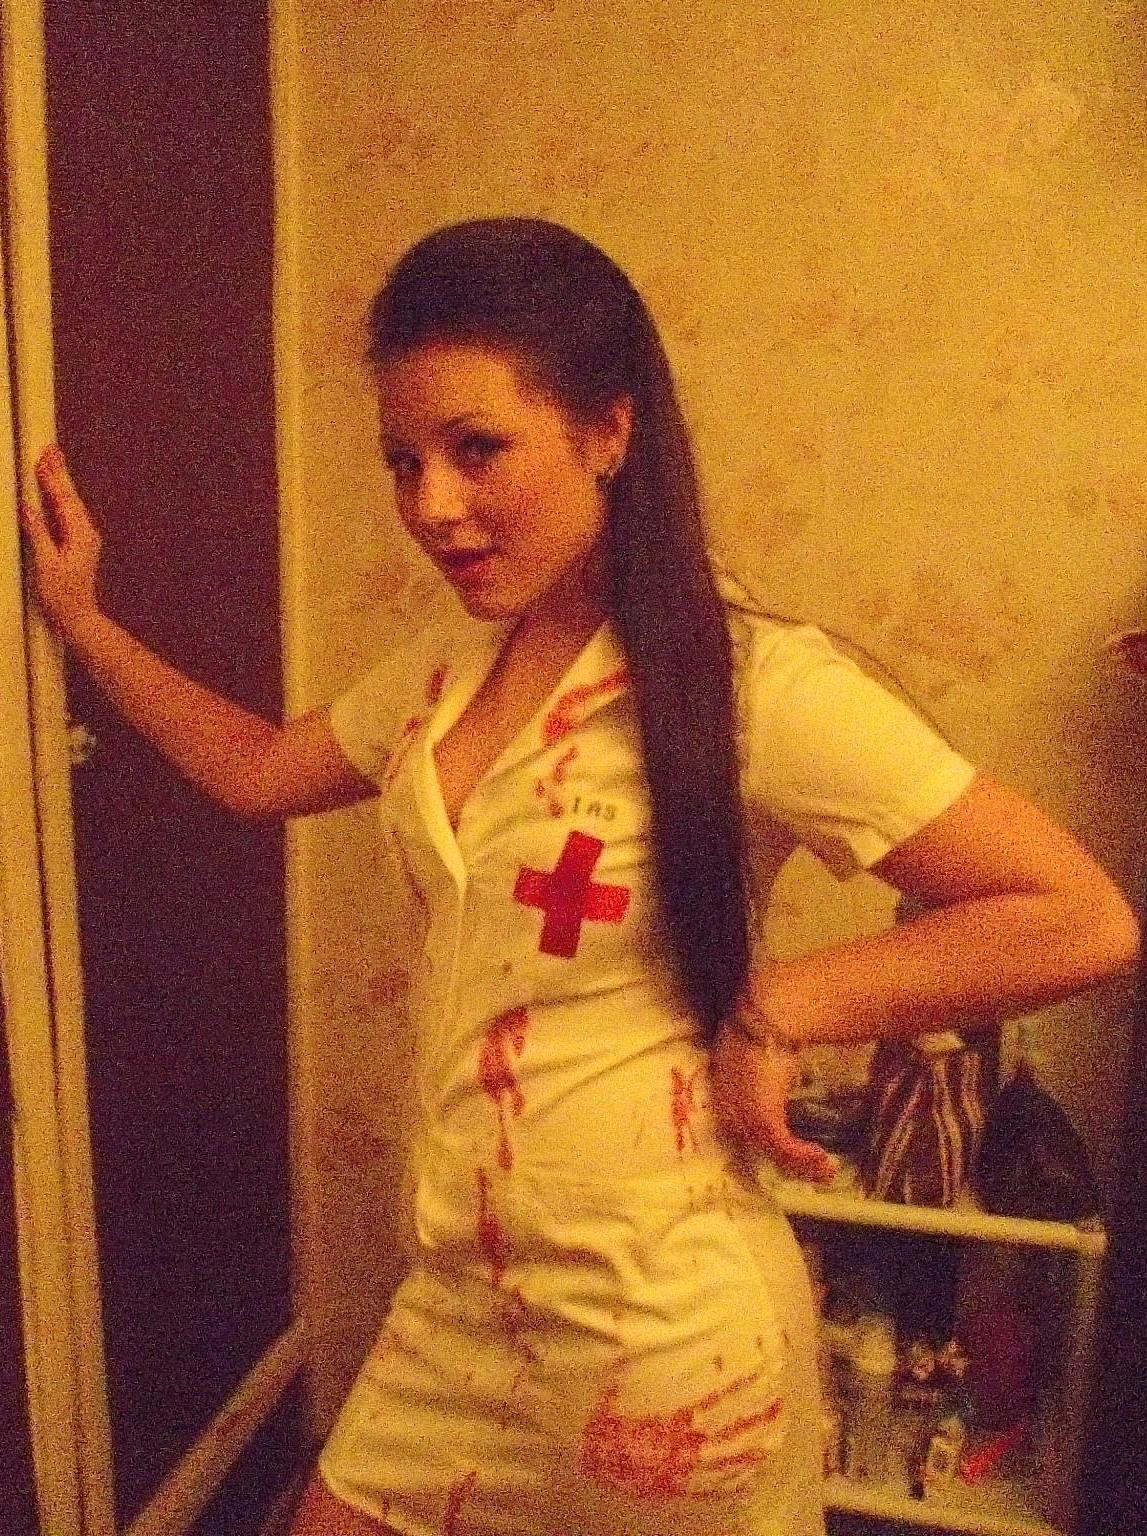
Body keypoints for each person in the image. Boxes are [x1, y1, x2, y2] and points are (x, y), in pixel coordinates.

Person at [22, 217, 1138, 1536]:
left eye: (477, 448)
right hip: (458, 1308)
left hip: (661, 1342)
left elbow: (1078, 916)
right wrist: (84, 622)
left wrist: (779, 1008)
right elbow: (261, 769)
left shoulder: (752, 682)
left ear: (608, 431)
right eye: (403, 461)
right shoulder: (448, 664)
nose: (430, 506)